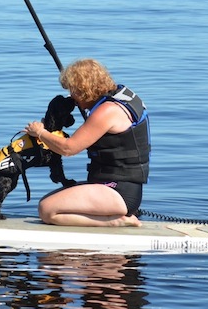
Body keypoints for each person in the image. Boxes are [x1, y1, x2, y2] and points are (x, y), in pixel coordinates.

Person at [24, 59, 150, 227]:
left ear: (84, 90)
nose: (73, 98)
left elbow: (68, 148)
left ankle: (115, 221)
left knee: (46, 210)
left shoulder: (108, 111)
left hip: (118, 191)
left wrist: (40, 133)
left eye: (73, 91)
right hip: (118, 185)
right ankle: (112, 214)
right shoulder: (122, 96)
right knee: (51, 199)